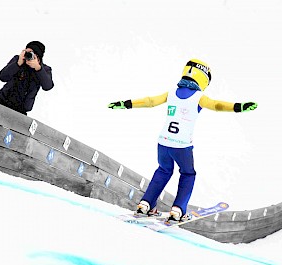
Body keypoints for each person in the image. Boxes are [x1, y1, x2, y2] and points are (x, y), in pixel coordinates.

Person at [108, 59, 257, 223]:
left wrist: (126, 104)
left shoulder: (171, 93)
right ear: (204, 78)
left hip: (163, 142)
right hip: (182, 146)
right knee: (188, 174)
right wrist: (238, 107)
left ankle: (146, 204)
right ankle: (178, 209)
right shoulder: (199, 97)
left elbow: (150, 101)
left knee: (163, 171)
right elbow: (217, 105)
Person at [0, 41, 54, 115]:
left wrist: (38, 68)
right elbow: (2, 77)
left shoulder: (44, 69)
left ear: (37, 56)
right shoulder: (17, 60)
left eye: (31, 53)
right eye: (26, 52)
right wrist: (17, 64)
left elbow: (47, 86)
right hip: (2, 101)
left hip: (21, 110)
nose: (28, 55)